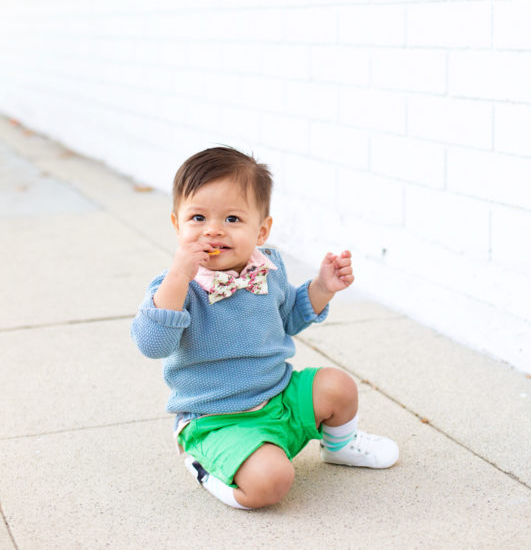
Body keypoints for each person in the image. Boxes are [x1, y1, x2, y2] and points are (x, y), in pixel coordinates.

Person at [131, 146, 398, 510]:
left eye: (232, 219)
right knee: (272, 481)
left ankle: (338, 446)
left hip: (280, 397)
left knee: (338, 386)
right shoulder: (177, 287)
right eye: (197, 218)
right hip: (219, 419)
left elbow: (288, 317)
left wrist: (321, 288)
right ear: (177, 224)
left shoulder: (267, 269)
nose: (213, 231)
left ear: (262, 230)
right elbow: (152, 344)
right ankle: (205, 468)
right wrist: (178, 278)